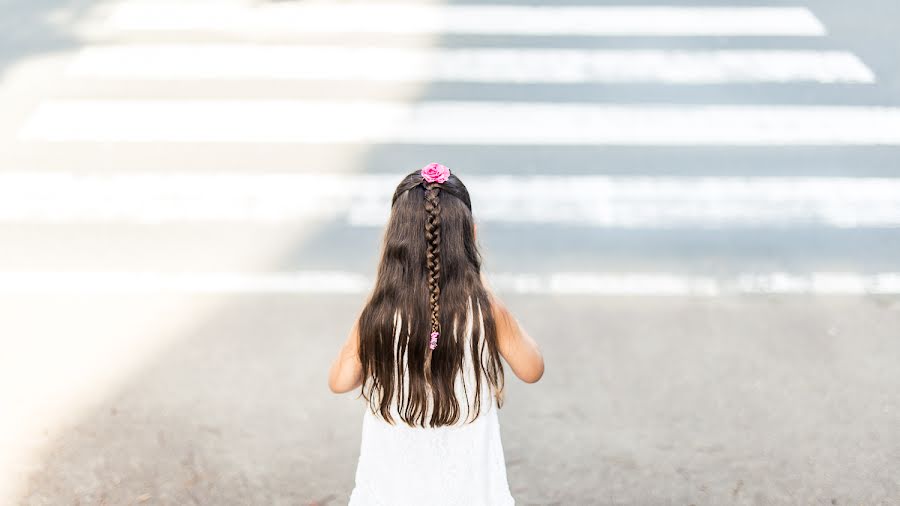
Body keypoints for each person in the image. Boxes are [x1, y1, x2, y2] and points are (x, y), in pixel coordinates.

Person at [328, 162, 545, 506]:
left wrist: (380, 294)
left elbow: (340, 380)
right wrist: (479, 282)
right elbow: (532, 369)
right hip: (469, 492)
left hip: (391, 493)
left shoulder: (379, 313)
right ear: (469, 236)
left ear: (395, 240)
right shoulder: (486, 311)